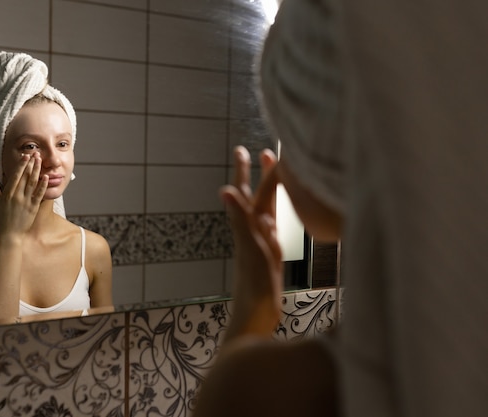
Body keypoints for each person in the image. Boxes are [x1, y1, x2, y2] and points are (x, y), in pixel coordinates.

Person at [193, 0, 488, 416]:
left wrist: (253, 308)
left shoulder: (270, 391)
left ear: (332, 144)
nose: (282, 159)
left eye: (286, 132)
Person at [0, 52, 113, 327]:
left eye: (62, 144)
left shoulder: (93, 248)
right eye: (31, 146)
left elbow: (108, 349)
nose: (53, 160)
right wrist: (10, 238)